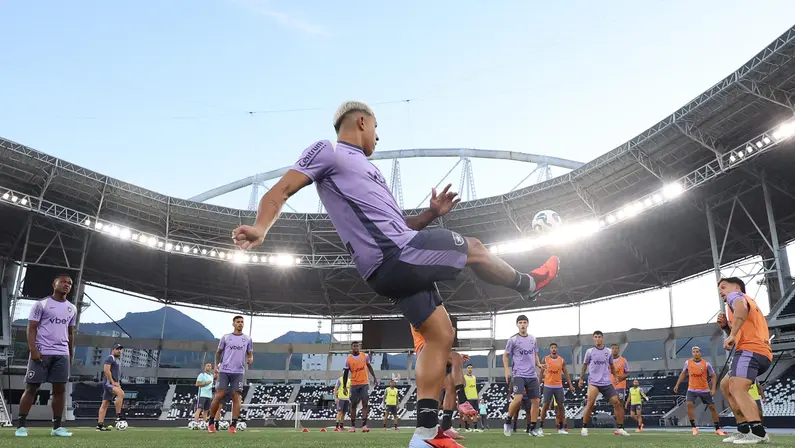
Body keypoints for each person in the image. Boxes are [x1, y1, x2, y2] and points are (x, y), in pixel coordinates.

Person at [232, 100, 561, 447]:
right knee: (475, 248)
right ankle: (529, 283)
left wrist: (431, 215)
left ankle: (426, 435)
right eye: (376, 128)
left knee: (440, 335)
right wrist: (260, 227)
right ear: (362, 122)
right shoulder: (329, 151)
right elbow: (280, 190)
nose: (378, 137)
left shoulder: (368, 172)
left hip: (391, 262)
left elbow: (399, 226)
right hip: (395, 255)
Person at [16, 273, 76, 438]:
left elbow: (70, 333)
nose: (67, 285)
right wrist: (33, 349)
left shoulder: (72, 308)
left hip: (62, 354)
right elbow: (31, 328)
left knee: (60, 390)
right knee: (31, 388)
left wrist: (70, 354)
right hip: (42, 352)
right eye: (63, 282)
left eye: (69, 283)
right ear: (54, 284)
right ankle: (21, 426)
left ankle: (57, 427)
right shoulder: (41, 304)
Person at [716, 277, 772, 444]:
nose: (721, 291)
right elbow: (739, 333)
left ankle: (758, 433)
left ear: (737, 287)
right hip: (756, 350)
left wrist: (732, 334)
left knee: (736, 386)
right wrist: (726, 328)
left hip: (751, 350)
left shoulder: (736, 297)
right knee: (726, 385)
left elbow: (740, 308)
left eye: (723, 287)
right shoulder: (745, 302)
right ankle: (744, 429)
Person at [411, 324, 474, 443]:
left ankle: (446, 426)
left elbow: (445, 340)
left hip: (438, 351)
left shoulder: (440, 317)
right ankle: (462, 400)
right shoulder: (423, 316)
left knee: (451, 384)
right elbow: (431, 334)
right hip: (426, 350)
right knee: (455, 357)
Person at [207, 316, 253, 434]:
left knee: (236, 397)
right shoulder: (226, 337)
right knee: (219, 394)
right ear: (233, 324)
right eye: (238, 322)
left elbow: (250, 352)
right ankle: (211, 422)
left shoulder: (248, 339)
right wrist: (216, 366)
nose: (240, 324)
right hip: (224, 371)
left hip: (238, 372)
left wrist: (250, 357)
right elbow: (218, 352)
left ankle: (233, 425)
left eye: (242, 322)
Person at [578, 331, 628, 436]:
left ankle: (620, 428)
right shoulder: (589, 351)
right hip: (594, 382)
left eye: (599, 337)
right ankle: (584, 427)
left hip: (606, 382)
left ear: (602, 338)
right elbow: (585, 365)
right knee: (590, 404)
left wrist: (615, 377)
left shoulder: (608, 351)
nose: (597, 339)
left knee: (616, 402)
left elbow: (611, 365)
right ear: (593, 339)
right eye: (595, 337)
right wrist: (581, 378)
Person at [502, 315, 545, 437]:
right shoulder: (513, 340)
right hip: (519, 374)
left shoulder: (533, 339)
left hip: (532, 375)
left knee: (536, 401)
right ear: (517, 325)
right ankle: (508, 422)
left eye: (524, 322)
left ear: (528, 324)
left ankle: (532, 428)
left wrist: (538, 364)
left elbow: (535, 353)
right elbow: (505, 355)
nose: (522, 324)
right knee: (518, 399)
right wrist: (506, 370)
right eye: (520, 322)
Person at [672, 346, 727, 436]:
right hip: (692, 389)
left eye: (697, 351)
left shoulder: (706, 364)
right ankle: (694, 427)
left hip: (704, 389)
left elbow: (713, 375)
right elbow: (683, 373)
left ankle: (717, 429)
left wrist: (713, 388)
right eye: (694, 352)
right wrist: (677, 384)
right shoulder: (687, 363)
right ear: (692, 353)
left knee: (712, 408)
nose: (695, 353)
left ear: (700, 353)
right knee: (689, 404)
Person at [539, 342, 574, 435]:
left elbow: (566, 373)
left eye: (555, 347)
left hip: (558, 386)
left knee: (561, 407)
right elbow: (541, 373)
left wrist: (570, 384)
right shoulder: (545, 359)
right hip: (548, 386)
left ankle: (561, 428)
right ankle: (541, 427)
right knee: (545, 406)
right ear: (550, 349)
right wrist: (538, 383)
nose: (553, 349)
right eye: (552, 347)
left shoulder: (561, 360)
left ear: (557, 349)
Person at [342, 341, 378, 432]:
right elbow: (345, 374)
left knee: (365, 403)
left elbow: (369, 366)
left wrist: (374, 377)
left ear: (359, 347)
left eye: (357, 346)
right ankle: (353, 426)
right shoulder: (348, 360)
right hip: (354, 384)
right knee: (353, 405)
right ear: (352, 347)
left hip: (364, 383)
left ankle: (364, 425)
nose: (356, 347)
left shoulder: (364, 356)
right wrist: (344, 387)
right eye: (354, 346)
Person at [96, 344, 125, 431]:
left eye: (120, 349)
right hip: (108, 383)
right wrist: (112, 382)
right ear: (113, 350)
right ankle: (118, 415)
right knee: (121, 393)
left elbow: (115, 373)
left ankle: (100, 425)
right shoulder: (110, 358)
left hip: (112, 383)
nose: (119, 351)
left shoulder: (116, 360)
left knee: (105, 404)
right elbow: (106, 370)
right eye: (117, 349)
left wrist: (117, 382)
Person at [462, 365, 479, 432]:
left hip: (474, 397)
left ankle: (475, 428)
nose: (470, 369)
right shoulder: (464, 377)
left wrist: (477, 396)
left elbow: (475, 387)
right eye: (469, 368)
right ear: (466, 369)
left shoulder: (474, 377)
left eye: (471, 368)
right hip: (468, 397)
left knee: (475, 413)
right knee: (467, 414)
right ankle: (467, 428)